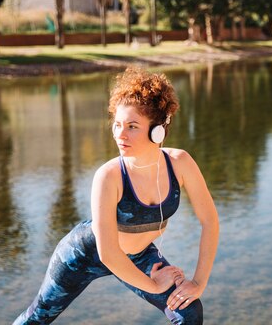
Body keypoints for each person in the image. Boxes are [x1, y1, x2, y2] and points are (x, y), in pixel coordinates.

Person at [13, 67, 220, 324]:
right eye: (118, 124)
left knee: (188, 311)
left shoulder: (180, 163)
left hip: (140, 255)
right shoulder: (109, 176)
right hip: (85, 254)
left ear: (158, 131)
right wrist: (153, 286)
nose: (120, 135)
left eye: (132, 126)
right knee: (36, 318)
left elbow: (210, 222)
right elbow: (108, 254)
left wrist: (198, 283)